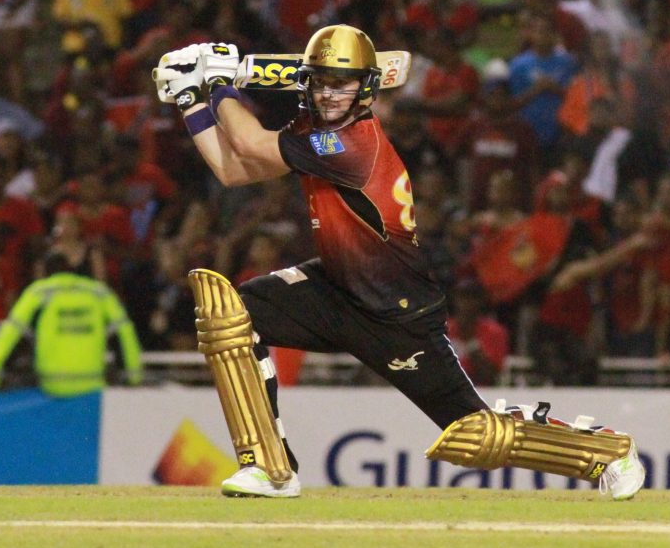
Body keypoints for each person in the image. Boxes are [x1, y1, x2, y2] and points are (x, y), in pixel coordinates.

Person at [154, 25, 645, 499]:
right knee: (230, 315)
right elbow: (233, 171)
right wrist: (190, 99)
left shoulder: (350, 144)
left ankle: (605, 452)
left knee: (474, 433)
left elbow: (247, 143)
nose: (329, 96)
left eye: (342, 86)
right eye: (321, 83)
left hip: (397, 316)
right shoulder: (312, 128)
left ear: (366, 90)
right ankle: (268, 468)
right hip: (336, 290)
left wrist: (217, 80)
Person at [0, 252, 142, 398]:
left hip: (52, 388)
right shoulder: (99, 293)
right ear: (70, 269)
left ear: (44, 272)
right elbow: (124, 333)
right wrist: (133, 376)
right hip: (93, 389)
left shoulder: (38, 293)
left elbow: (12, 334)